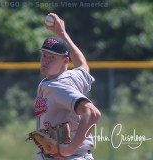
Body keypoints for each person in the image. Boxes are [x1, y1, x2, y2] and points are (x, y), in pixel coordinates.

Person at [35, 13, 101, 160]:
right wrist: (63, 35)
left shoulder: (58, 86)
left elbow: (92, 113)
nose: (45, 61)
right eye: (44, 55)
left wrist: (69, 149)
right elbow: (83, 65)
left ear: (65, 61)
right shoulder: (73, 76)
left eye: (52, 57)